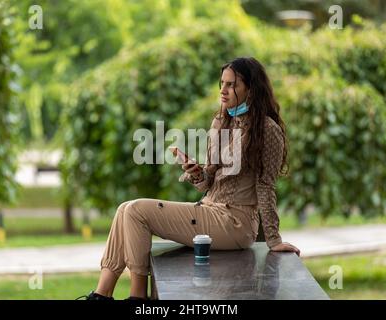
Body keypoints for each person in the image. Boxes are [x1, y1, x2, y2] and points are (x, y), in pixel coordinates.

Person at [77, 57, 300, 301]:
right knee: (124, 209)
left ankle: (137, 298)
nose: (223, 91)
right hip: (210, 210)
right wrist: (196, 172)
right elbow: (208, 182)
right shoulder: (221, 121)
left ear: (251, 89)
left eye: (231, 85)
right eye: (222, 83)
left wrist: (274, 239)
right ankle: (101, 295)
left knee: (136, 211)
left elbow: (265, 185)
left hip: (236, 223)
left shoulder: (267, 130)